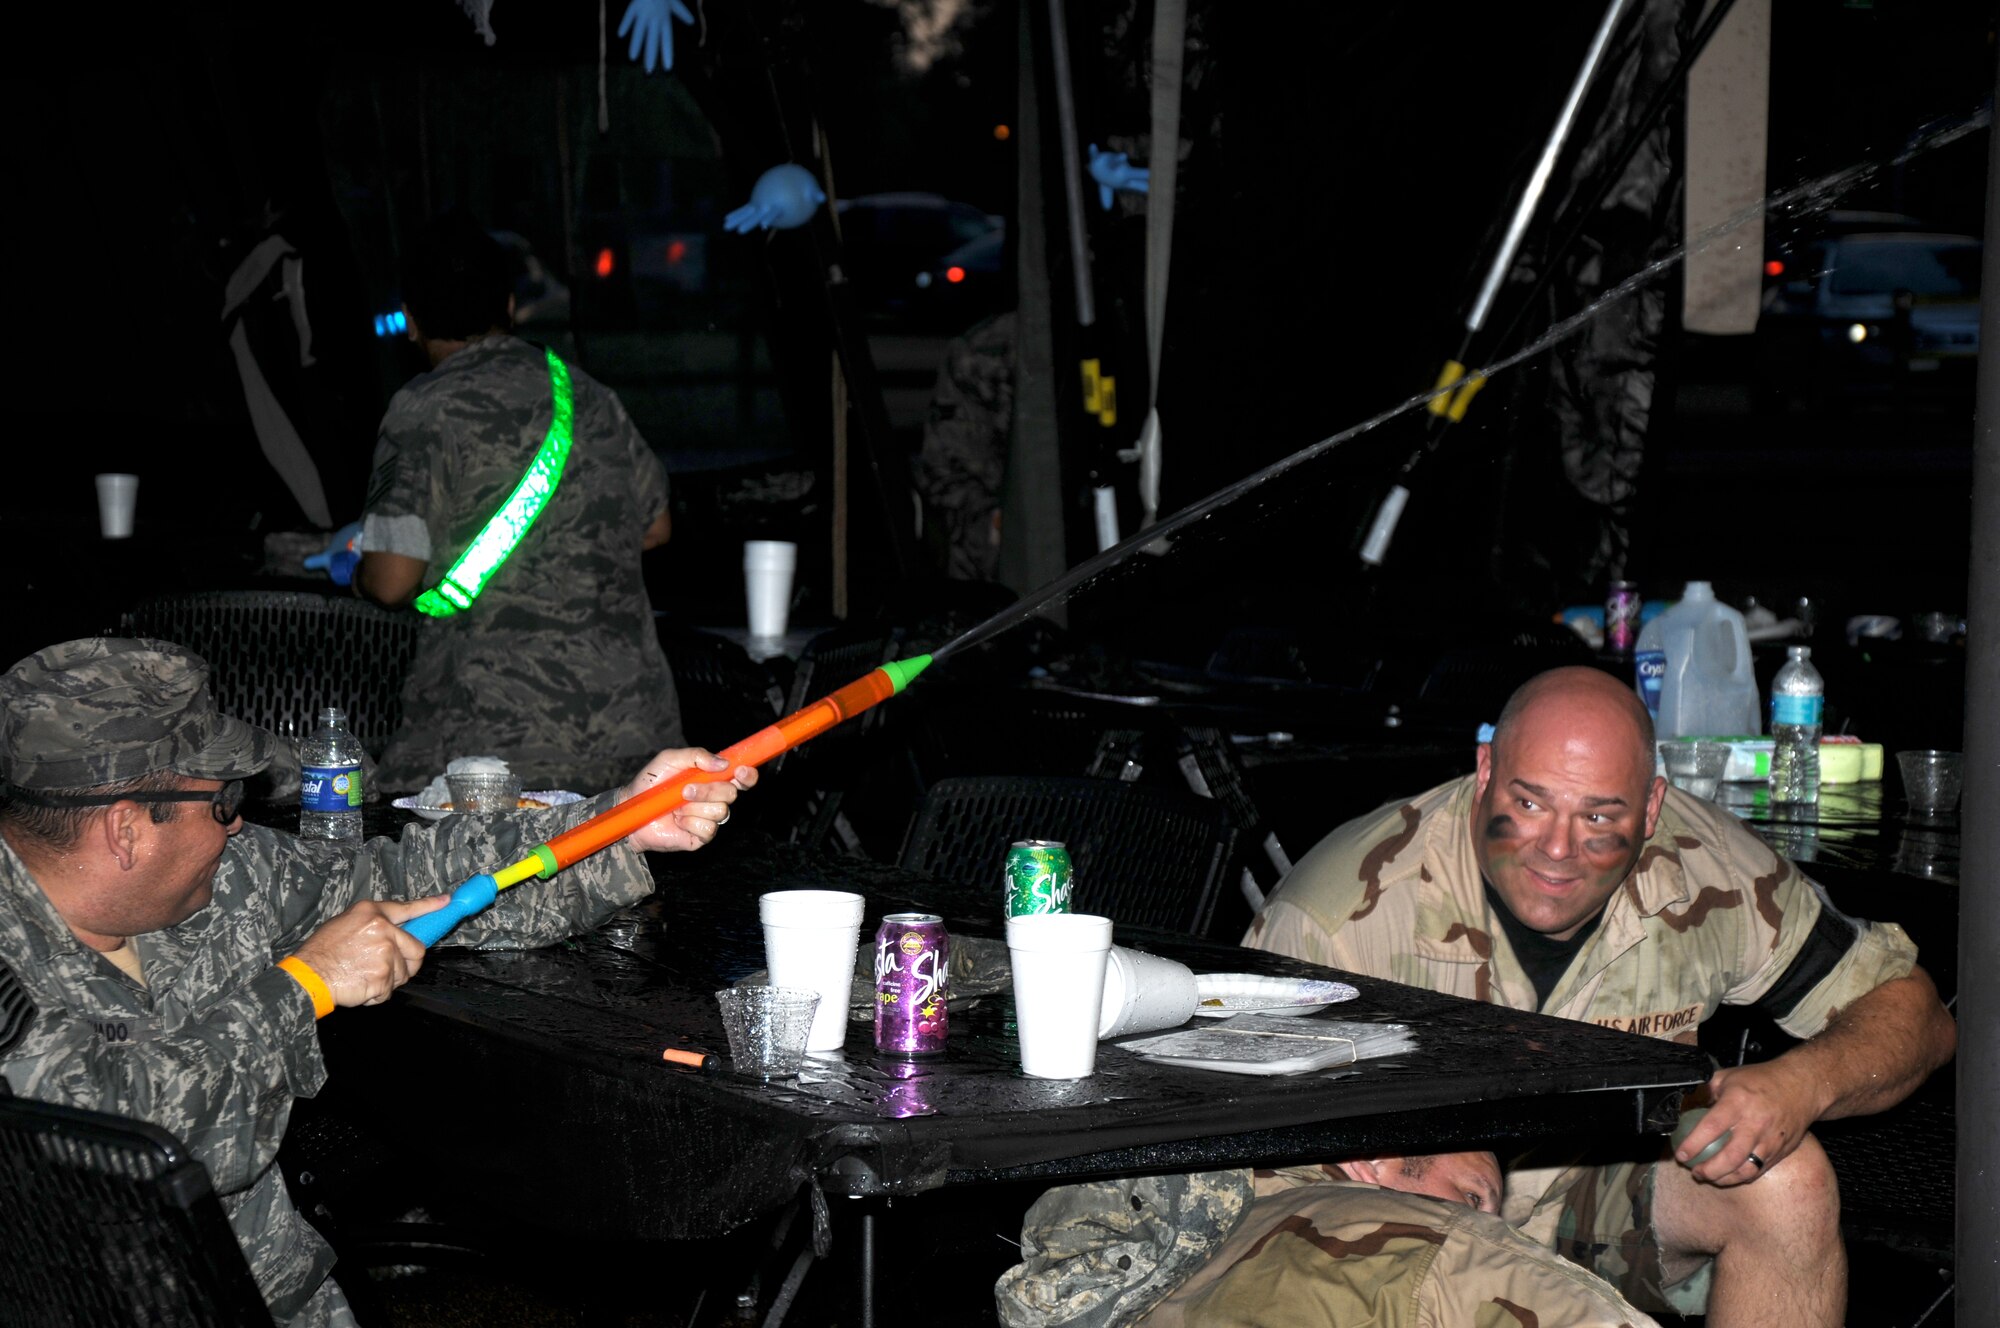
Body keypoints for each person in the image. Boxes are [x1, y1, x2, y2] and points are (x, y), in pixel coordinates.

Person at [0, 637, 752, 1326]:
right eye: (221, 801)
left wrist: (621, 819)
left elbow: (401, 878)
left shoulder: (225, 873)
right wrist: (305, 987)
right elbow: (114, 1145)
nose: (237, 824)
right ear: (124, 832)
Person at [1243, 665, 1957, 1327]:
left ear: (1651, 808)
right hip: (1383, 1222)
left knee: (1785, 1182)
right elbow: (1228, 1172)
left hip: (1585, 1186)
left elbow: (1913, 1011)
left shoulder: (1710, 868)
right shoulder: (1341, 913)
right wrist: (1397, 1160)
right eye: (1529, 802)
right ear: (1485, 768)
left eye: (1598, 817)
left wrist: (1803, 1083)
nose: (1557, 849)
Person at [355, 211, 682, 793]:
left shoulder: (423, 407)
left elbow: (391, 580)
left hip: (494, 753)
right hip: (637, 742)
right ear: (508, 306)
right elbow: (655, 528)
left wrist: (355, 569)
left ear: (410, 322)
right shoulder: (584, 391)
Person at [998, 1149, 1660, 1327]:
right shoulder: (1439, 1249)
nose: (1493, 1221)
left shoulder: (1197, 1235)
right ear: (1375, 1162)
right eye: (1472, 1196)